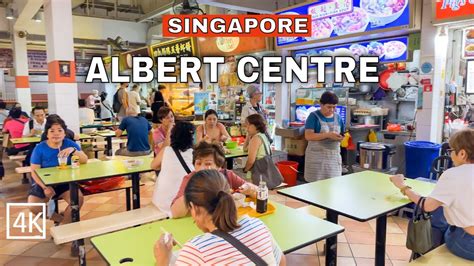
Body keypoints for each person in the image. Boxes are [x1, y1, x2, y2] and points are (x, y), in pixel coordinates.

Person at [154, 169, 285, 266]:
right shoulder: (257, 225)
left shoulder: (196, 250)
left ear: (194, 208)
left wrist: (163, 260)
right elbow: (282, 262)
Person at [389, 129, 474, 261]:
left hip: (467, 242)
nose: (450, 155)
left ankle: (423, 256)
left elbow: (427, 206)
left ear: (462, 153)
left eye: (451, 151)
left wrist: (402, 186)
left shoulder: (453, 174)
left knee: (436, 220)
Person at [170, 141, 257, 218]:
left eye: (208, 164)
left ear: (219, 166)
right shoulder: (190, 179)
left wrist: (249, 188)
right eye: (198, 163)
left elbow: (258, 192)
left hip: (224, 221)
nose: (202, 168)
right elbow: (175, 213)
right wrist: (193, 191)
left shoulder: (227, 175)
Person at [27, 115, 88, 225]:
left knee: (78, 199)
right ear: (47, 134)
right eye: (52, 131)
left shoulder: (69, 144)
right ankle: (60, 219)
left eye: (60, 130)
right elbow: (34, 171)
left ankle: (63, 227)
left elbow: (84, 160)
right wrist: (45, 187)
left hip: (66, 183)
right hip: (45, 183)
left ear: (64, 133)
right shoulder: (40, 148)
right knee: (34, 206)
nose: (56, 133)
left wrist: (74, 150)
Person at [151, 122, 195, 216]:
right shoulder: (194, 154)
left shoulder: (166, 150)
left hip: (160, 201)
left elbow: (153, 166)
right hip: (180, 206)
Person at [304, 91, 344, 182]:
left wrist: (341, 138)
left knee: (333, 185)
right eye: (329, 107)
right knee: (314, 187)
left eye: (334, 107)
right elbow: (308, 136)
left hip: (333, 159)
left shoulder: (338, 118)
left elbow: (342, 133)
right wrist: (328, 135)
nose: (332, 110)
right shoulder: (313, 116)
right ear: (321, 104)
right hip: (316, 159)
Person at [243, 114, 272, 180]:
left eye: (248, 124)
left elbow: (251, 161)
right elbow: (245, 149)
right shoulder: (263, 135)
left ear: (256, 125)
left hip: (257, 172)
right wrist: (248, 135)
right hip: (264, 170)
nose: (246, 127)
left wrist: (245, 170)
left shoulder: (256, 139)